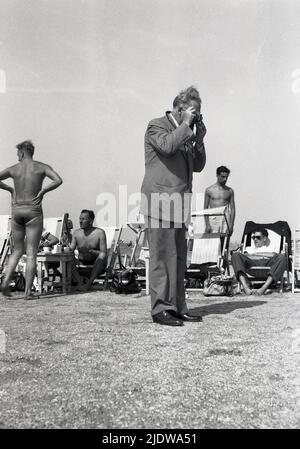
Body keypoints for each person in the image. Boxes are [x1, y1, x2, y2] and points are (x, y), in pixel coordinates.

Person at [140, 86, 207, 326]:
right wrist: (187, 126)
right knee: (161, 258)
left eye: (198, 112)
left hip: (179, 203)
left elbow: (198, 165)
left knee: (178, 259)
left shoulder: (186, 132)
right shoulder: (157, 126)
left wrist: (198, 139)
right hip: (159, 201)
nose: (196, 116)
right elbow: (167, 147)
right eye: (193, 111)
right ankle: (161, 309)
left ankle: (178, 306)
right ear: (179, 109)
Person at [0, 140, 63, 299]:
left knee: (17, 250)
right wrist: (42, 192)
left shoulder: (14, 169)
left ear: (22, 152)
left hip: (17, 209)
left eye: (18, 154)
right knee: (31, 252)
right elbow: (58, 180)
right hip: (33, 210)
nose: (18, 157)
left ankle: (6, 281)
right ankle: (28, 292)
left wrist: (9, 189)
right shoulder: (41, 167)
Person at [231, 229, 287, 296]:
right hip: (252, 265)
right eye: (253, 237)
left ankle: (263, 288)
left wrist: (255, 254)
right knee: (235, 255)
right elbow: (246, 256)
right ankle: (246, 288)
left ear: (264, 238)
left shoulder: (272, 247)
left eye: (258, 237)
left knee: (282, 257)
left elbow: (273, 255)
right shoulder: (249, 248)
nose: (255, 239)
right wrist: (264, 255)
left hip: (268, 266)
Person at [70, 209, 107, 291]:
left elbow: (104, 252)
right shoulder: (76, 233)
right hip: (81, 265)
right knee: (68, 256)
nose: (80, 221)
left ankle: (88, 284)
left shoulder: (100, 233)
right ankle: (80, 283)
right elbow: (71, 250)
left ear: (90, 221)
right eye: (80, 219)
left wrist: (92, 251)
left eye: (83, 219)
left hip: (97, 266)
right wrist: (64, 249)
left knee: (102, 255)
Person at [204, 166, 235, 236]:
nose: (225, 179)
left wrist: (231, 225)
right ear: (217, 175)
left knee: (224, 241)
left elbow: (233, 209)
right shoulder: (209, 190)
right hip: (213, 218)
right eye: (223, 176)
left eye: (226, 177)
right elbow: (205, 208)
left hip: (225, 218)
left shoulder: (230, 191)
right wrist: (207, 224)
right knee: (212, 242)